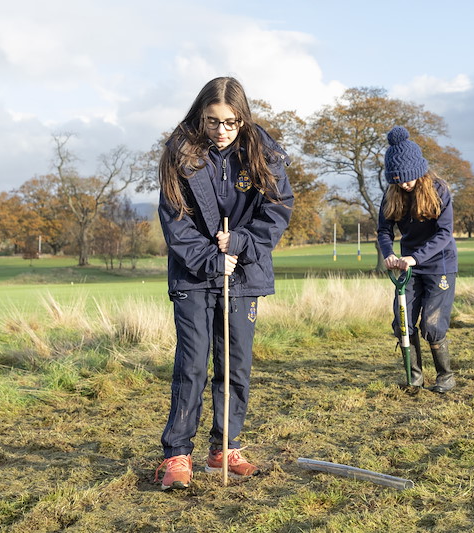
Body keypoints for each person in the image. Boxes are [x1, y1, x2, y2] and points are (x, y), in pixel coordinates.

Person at [154, 77, 293, 491]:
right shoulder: (178, 155)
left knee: (235, 365)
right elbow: (174, 221)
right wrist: (213, 257)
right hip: (194, 274)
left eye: (230, 122)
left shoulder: (264, 154)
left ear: (243, 118)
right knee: (193, 364)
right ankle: (177, 455)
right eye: (213, 121)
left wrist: (242, 243)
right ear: (201, 115)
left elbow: (277, 211)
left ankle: (224, 449)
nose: (221, 131)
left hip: (245, 273)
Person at [377, 126, 458, 393]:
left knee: (432, 325)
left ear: (418, 172)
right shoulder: (392, 195)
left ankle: (446, 376)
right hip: (408, 267)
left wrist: (416, 257)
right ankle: (415, 377)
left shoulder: (439, 191)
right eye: (397, 180)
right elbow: (384, 230)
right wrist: (389, 253)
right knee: (402, 322)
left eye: (407, 180)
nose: (403, 185)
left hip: (440, 265)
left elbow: (445, 233)